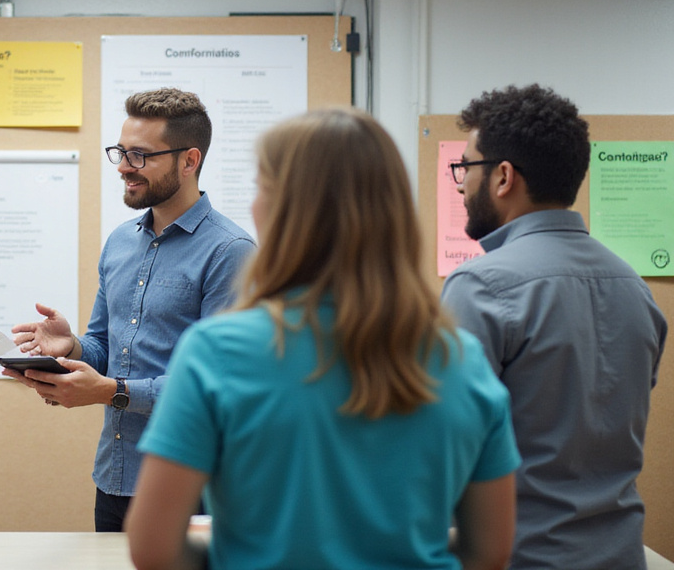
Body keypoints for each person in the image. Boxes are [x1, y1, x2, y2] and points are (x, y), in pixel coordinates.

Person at [127, 107, 519, 570]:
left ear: (285, 210)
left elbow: (153, 547)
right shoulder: (460, 358)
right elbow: (491, 550)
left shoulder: (217, 352)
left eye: (262, 189)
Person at [6, 87, 255, 532]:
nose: (123, 167)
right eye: (121, 152)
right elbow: (106, 349)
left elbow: (217, 389)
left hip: (191, 485)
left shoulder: (230, 252)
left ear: (189, 161)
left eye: (139, 155)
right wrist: (74, 348)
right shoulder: (120, 241)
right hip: (115, 478)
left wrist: (107, 391)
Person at [441, 85, 668, 570]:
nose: (459, 185)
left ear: (503, 177)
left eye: (464, 168)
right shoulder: (633, 287)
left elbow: (446, 443)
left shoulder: (480, 285)